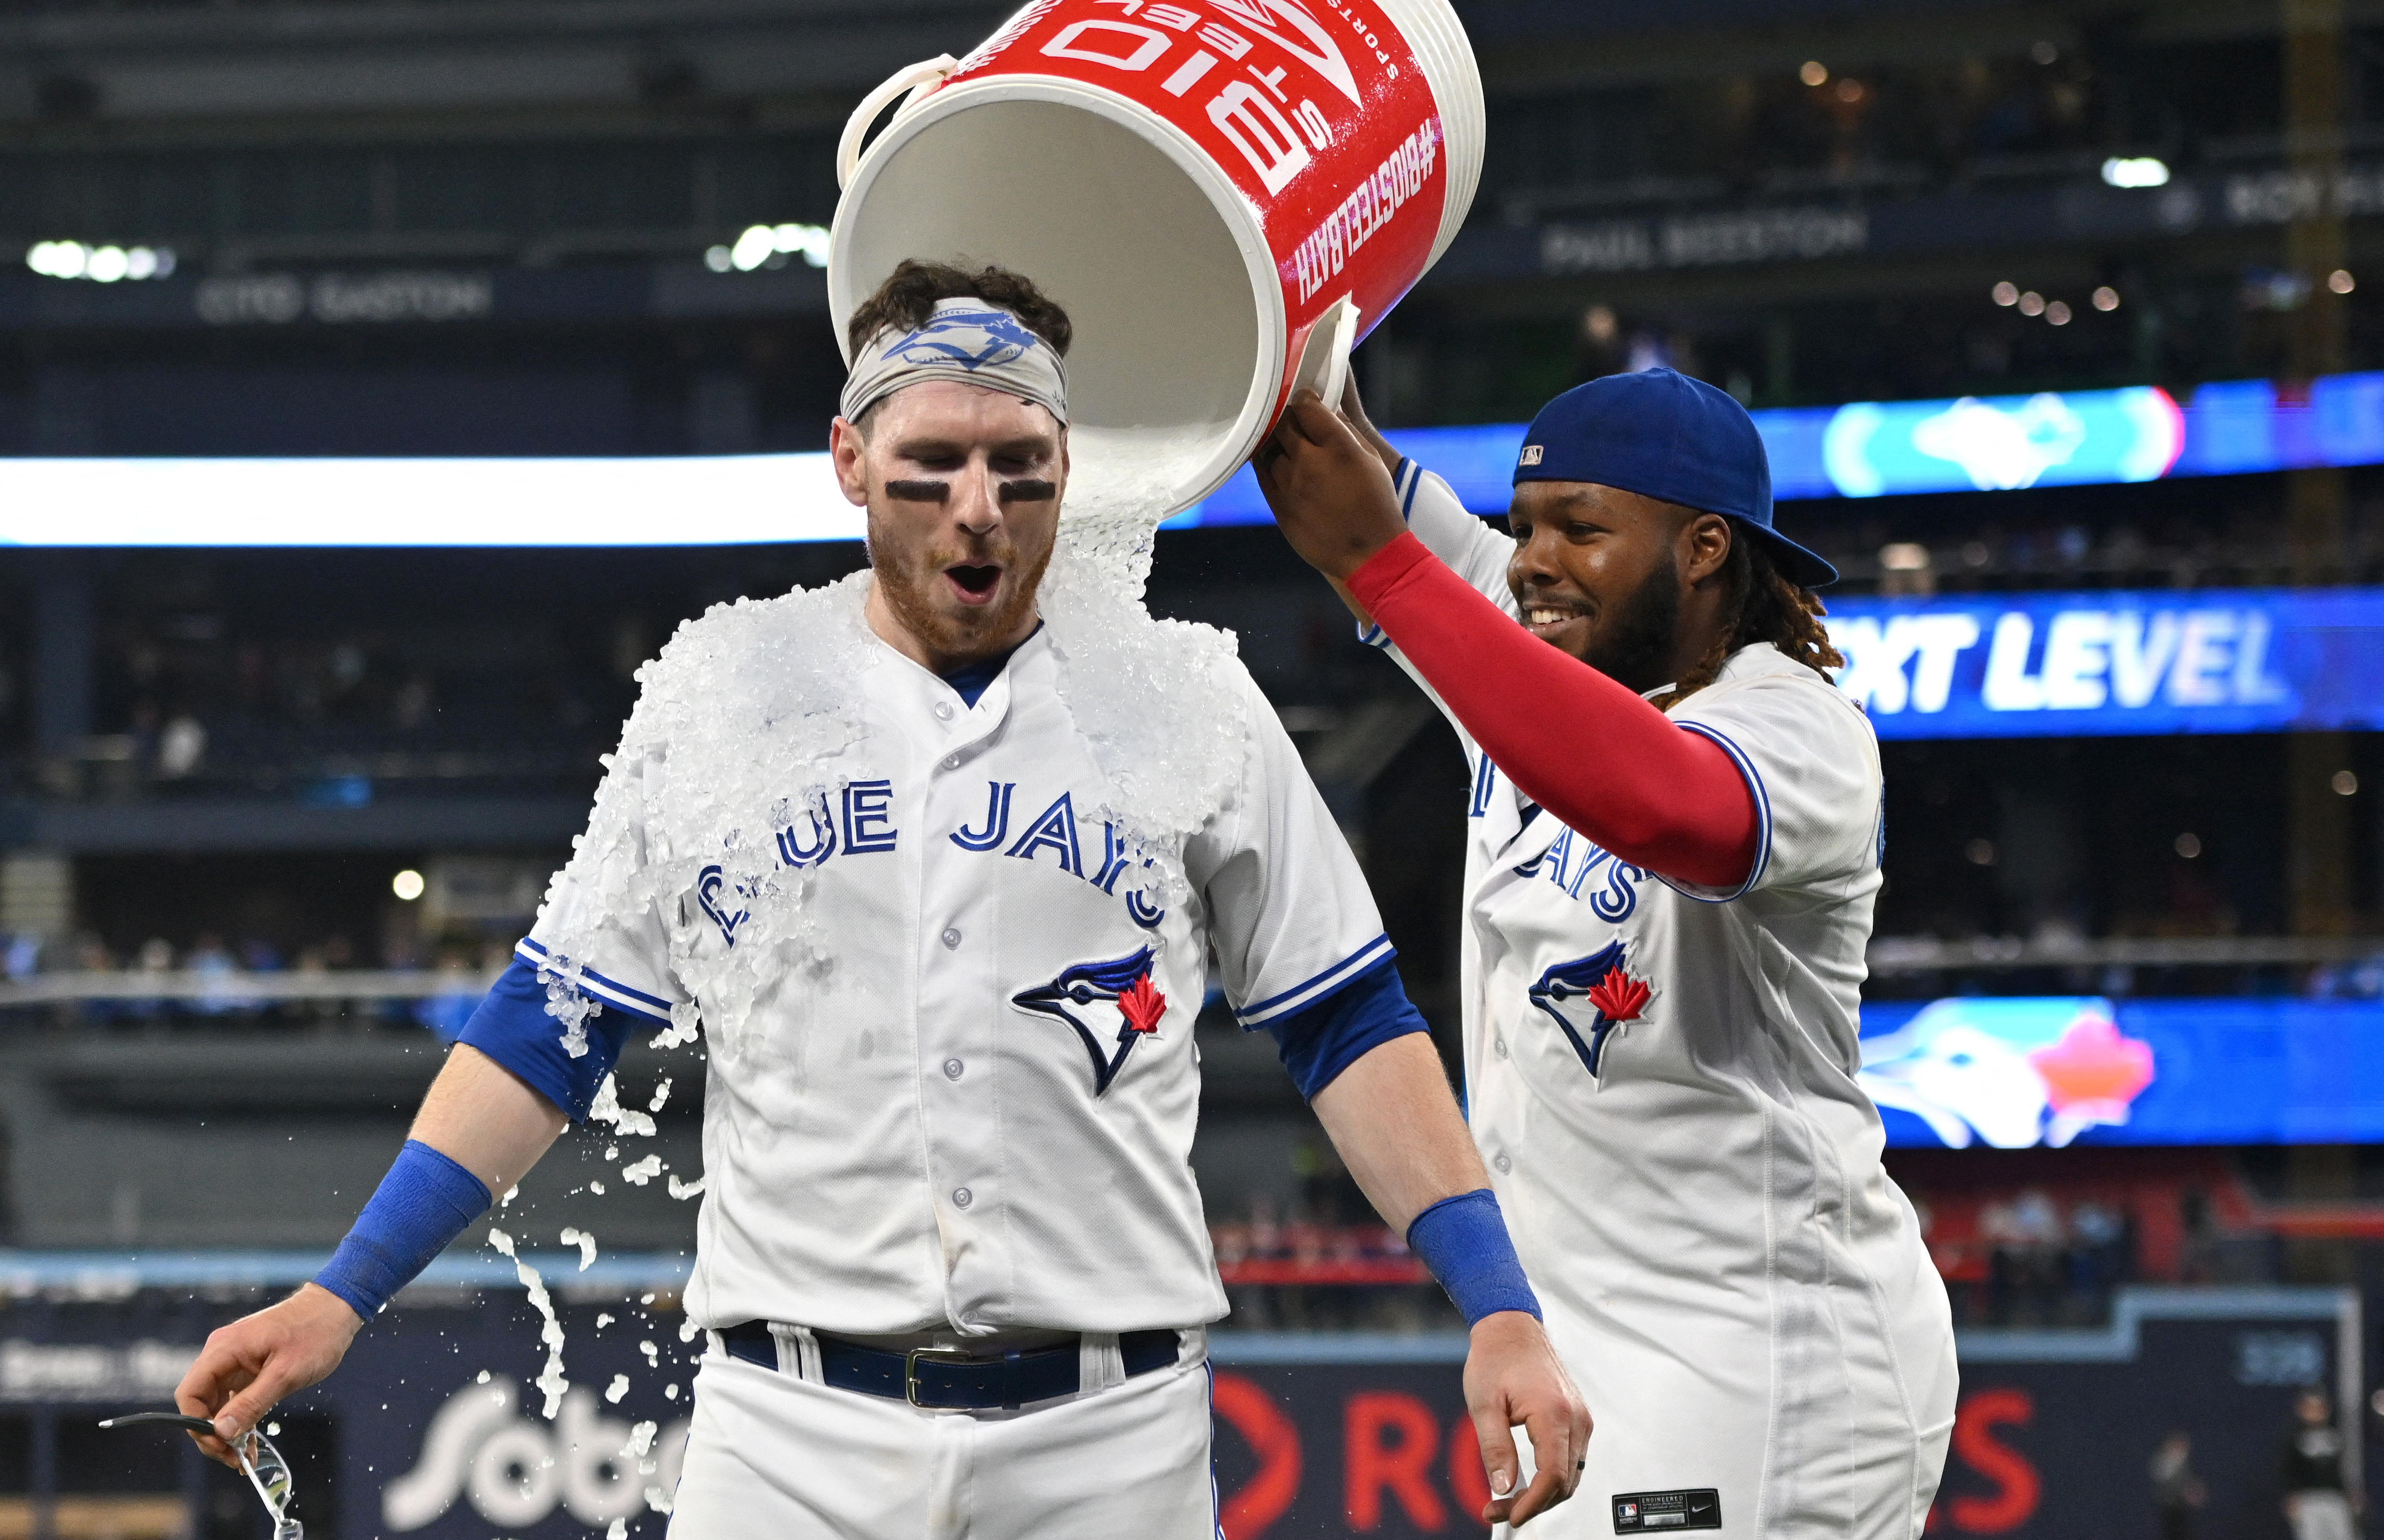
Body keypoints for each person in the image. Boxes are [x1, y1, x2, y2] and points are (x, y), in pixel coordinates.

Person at [171, 260, 1588, 1538]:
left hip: (1111, 1440)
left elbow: (1347, 1022)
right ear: (848, 460)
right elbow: (551, 1026)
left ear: (1068, 463)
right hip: (788, 1438)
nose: (980, 508)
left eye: (1019, 465)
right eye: (934, 464)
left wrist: (1499, 1307)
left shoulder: (1189, 697)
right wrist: (343, 1288)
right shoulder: (723, 694)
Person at [1253, 369, 1959, 1537]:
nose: (1532, 560)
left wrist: (1383, 568)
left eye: (1583, 529)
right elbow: (1344, 469)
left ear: (1703, 550)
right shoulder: (1536, 638)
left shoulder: (1797, 725)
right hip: (1583, 1359)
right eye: (1526, 525)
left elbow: (1666, 804)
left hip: (1767, 1361)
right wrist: (1298, 337)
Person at [2284, 1387, 2362, 1540]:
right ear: (2302, 1409)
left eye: (2319, 1407)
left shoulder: (2336, 1434)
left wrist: (2350, 1492)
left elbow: (2344, 1468)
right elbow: (2288, 1468)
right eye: (2310, 1408)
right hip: (2308, 1499)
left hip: (2335, 1498)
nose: (2315, 1412)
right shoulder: (2295, 1437)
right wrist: (2291, 1495)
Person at [2149, 1429, 2204, 1540]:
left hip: (2181, 1507)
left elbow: (2187, 1482)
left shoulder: (2184, 1462)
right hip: (2170, 1506)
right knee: (2172, 1531)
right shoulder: (2166, 1461)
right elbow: (2163, 1478)